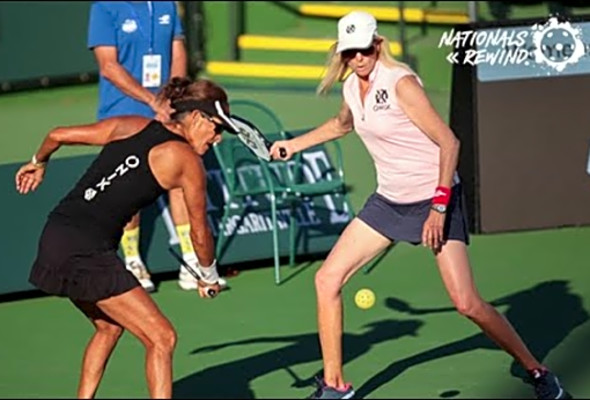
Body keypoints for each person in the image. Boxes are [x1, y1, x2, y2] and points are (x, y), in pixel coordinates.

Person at [269, 11, 571, 400]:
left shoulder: (402, 84)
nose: (358, 58)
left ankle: (538, 372)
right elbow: (342, 125)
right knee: (327, 279)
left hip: (435, 197)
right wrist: (293, 146)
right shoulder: (350, 88)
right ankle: (335, 386)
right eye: (349, 53)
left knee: (467, 303)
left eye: (364, 49)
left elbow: (450, 142)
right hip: (388, 202)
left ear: (377, 45)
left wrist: (439, 207)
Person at [15, 77, 235, 399]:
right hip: (86, 252)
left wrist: (38, 163)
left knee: (109, 327)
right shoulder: (187, 161)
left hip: (56, 234)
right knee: (162, 338)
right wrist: (209, 274)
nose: (217, 139)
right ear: (198, 117)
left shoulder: (131, 125)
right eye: (217, 129)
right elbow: (199, 231)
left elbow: (57, 135)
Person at [87, 1, 227, 292]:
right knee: (129, 186)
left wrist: (171, 97)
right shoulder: (104, 8)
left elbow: (177, 50)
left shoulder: (166, 4)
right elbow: (109, 67)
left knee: (179, 180)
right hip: (123, 111)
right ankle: (133, 260)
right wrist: (151, 101)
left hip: (166, 111)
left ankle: (191, 261)